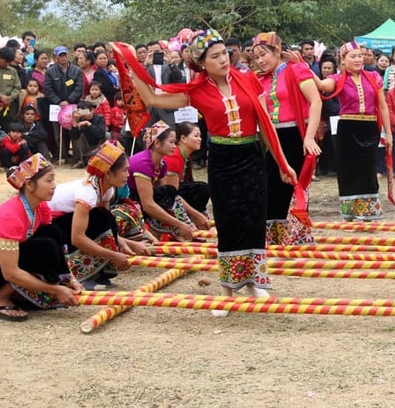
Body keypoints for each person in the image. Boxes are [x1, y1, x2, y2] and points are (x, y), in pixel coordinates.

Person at [118, 30, 296, 309]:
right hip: (223, 160)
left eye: (224, 53)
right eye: (215, 56)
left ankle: (255, 283)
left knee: (253, 218)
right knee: (228, 222)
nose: (224, 59)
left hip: (251, 157)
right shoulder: (197, 91)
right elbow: (152, 98)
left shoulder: (248, 79)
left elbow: (266, 127)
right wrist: (129, 61)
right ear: (201, 63)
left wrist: (282, 163)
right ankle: (227, 288)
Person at [0, 155, 81, 321]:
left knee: (52, 234)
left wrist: (70, 279)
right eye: (49, 181)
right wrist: (55, 290)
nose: (54, 186)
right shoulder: (10, 216)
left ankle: (18, 293)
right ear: (29, 184)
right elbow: (10, 272)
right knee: (44, 246)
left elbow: (54, 243)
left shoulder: (40, 207)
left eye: (53, 180)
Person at [252, 31, 322, 245]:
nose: (260, 60)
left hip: (296, 135)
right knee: (271, 187)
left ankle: (294, 237)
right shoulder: (259, 79)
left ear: (277, 51)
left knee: (293, 186)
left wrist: (309, 138)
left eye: (264, 54)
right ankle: (274, 238)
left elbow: (315, 102)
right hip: (273, 138)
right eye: (256, 57)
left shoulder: (296, 70)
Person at [314, 41, 392, 221]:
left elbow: (383, 107)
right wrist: (301, 67)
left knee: (368, 168)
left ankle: (368, 210)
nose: (358, 59)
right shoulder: (338, 79)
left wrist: (388, 133)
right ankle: (350, 209)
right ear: (343, 59)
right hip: (348, 127)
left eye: (360, 56)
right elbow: (322, 86)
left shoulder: (374, 77)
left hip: (369, 126)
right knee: (349, 168)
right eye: (353, 56)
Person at [48, 142, 138, 289]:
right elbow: (77, 238)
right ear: (108, 173)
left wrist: (127, 244)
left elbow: (107, 226)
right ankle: (80, 275)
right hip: (52, 227)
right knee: (102, 217)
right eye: (125, 170)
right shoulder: (88, 193)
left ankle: (98, 274)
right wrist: (113, 255)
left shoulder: (107, 190)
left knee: (105, 218)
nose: (128, 175)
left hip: (67, 224)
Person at [127, 121, 196, 242]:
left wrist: (192, 217)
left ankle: (176, 232)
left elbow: (169, 195)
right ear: (157, 143)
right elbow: (148, 205)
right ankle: (155, 241)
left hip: (138, 200)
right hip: (127, 202)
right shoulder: (143, 164)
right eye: (171, 142)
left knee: (169, 193)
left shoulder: (161, 164)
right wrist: (179, 224)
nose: (175, 146)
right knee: (162, 199)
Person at [160, 122, 212, 231]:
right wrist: (197, 215)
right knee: (201, 188)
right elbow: (172, 195)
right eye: (196, 136)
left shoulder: (184, 156)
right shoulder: (174, 157)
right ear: (183, 138)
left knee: (201, 188)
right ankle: (187, 223)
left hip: (173, 194)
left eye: (200, 136)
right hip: (163, 197)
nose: (200, 139)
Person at [44, 46, 84, 160]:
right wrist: (58, 101)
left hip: (73, 106)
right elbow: (48, 89)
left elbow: (79, 88)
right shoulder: (50, 72)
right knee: (58, 134)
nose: (63, 58)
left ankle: (77, 157)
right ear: (55, 57)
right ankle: (63, 156)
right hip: (57, 107)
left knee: (75, 130)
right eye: (60, 55)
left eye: (64, 55)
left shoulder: (77, 70)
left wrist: (69, 100)